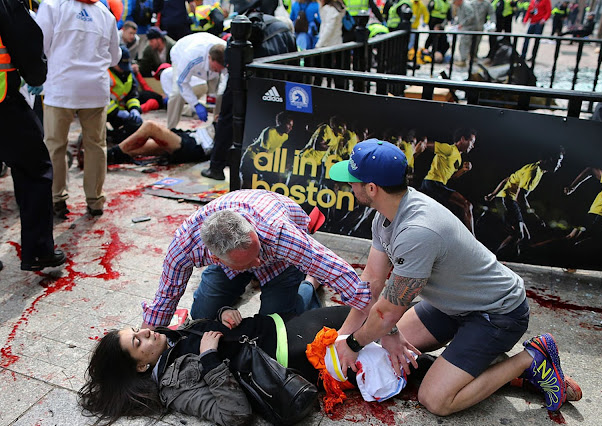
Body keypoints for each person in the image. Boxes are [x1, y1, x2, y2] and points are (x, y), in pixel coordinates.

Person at [328, 139, 575, 415]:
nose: (349, 185)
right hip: (453, 305)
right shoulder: (386, 214)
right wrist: (343, 338)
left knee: (435, 400)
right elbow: (372, 282)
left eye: (353, 180)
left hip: (497, 314)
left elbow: (386, 312)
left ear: (372, 188)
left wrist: (354, 343)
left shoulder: (417, 231)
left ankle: (530, 359)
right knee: (383, 351)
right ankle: (481, 363)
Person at [80, 305, 351, 424]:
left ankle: (310, 285)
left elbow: (210, 330)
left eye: (135, 330)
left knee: (363, 315)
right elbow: (234, 414)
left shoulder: (169, 339)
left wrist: (224, 314)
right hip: (292, 356)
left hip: (280, 325)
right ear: (141, 367)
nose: (145, 331)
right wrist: (210, 358)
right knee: (366, 324)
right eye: (137, 342)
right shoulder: (174, 387)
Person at [141, 189, 371, 329]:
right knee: (201, 315)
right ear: (216, 258)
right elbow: (165, 298)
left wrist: (375, 320)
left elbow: (335, 269)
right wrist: (143, 341)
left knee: (274, 326)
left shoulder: (278, 234)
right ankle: (243, 277)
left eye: (257, 252)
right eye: (249, 262)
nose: (258, 262)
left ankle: (309, 283)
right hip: (237, 259)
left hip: (280, 259)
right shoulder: (185, 244)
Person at [36, 0, 121, 218]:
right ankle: (95, 201)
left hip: (61, 87)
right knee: (96, 146)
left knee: (55, 145)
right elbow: (115, 57)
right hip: (95, 89)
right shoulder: (105, 14)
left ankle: (57, 199)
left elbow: (40, 44)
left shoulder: (52, 6)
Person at [0, 0, 66, 271]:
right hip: (4, 102)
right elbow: (25, 40)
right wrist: (36, 75)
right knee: (35, 169)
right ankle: (38, 250)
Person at [201, 5, 297, 180]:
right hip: (275, 82)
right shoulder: (283, 30)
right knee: (263, 123)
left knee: (229, 119)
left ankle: (217, 167)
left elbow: (230, 65)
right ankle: (263, 175)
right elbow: (294, 65)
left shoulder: (236, 35)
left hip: (245, 79)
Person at [484, 147, 564, 255]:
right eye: (559, 160)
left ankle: (510, 259)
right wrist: (534, 216)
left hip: (506, 199)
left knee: (524, 237)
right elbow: (520, 197)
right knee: (518, 234)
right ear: (549, 159)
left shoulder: (535, 168)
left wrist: (493, 194)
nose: (560, 164)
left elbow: (507, 179)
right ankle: (494, 258)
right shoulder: (533, 171)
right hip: (506, 200)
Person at [417, 128, 476, 235]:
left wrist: (463, 170)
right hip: (433, 183)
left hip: (436, 185)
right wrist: (421, 146)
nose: (472, 145)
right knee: (467, 205)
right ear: (463, 139)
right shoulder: (449, 149)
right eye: (471, 141)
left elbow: (451, 177)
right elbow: (427, 145)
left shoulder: (459, 158)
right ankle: (472, 239)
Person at [166, 33, 226, 130]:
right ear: (209, 58)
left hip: (206, 57)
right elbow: (182, 83)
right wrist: (195, 104)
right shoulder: (191, 57)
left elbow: (227, 80)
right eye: (215, 69)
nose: (217, 71)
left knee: (220, 94)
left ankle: (217, 126)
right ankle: (170, 128)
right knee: (177, 94)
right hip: (181, 54)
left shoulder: (229, 54)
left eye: (220, 70)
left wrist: (218, 95)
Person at [107, 120, 214, 164]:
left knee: (150, 127)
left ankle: (111, 154)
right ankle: (107, 158)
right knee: (134, 149)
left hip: (197, 145)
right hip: (195, 135)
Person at [240, 111, 294, 188]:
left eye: (291, 126)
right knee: (248, 185)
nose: (290, 128)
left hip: (262, 162)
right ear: (280, 122)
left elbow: (273, 151)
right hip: (251, 158)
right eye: (288, 124)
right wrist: (274, 169)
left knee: (275, 180)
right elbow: (263, 154)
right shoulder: (270, 131)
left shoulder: (285, 137)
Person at [107, 46, 143, 144]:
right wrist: (117, 112)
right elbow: (99, 97)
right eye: (121, 65)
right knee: (96, 130)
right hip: (104, 111)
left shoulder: (129, 74)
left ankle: (115, 136)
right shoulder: (105, 73)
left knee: (136, 124)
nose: (123, 69)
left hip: (121, 111)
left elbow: (133, 95)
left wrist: (134, 109)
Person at [452, 0, 477, 67]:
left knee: (464, 44)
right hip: (464, 28)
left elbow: (471, 16)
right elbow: (460, 17)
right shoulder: (460, 6)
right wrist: (456, 24)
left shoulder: (466, 6)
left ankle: (463, 60)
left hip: (468, 28)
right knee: (462, 44)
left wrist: (462, 24)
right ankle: (463, 59)